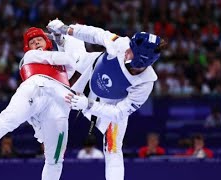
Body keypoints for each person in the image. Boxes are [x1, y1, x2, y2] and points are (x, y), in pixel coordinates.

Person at [47, 19, 167, 180]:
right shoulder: (121, 44)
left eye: (131, 50)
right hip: (93, 69)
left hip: (109, 107)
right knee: (74, 59)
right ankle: (62, 39)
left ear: (141, 59)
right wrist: (66, 29)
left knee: (113, 149)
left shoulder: (145, 83)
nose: (127, 50)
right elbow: (96, 34)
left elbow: (119, 113)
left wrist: (88, 105)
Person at [0, 27, 79, 180]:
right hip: (37, 89)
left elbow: (73, 62)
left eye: (39, 40)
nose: (36, 43)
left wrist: (59, 41)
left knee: (55, 159)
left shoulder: (59, 62)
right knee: (8, 119)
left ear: (46, 42)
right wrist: (59, 41)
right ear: (29, 48)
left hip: (59, 105)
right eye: (32, 42)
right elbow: (68, 59)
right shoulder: (30, 56)